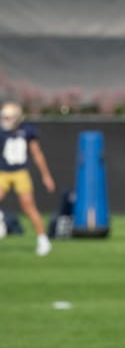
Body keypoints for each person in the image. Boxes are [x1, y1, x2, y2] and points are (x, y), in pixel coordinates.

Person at [0, 101, 55, 256]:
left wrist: (46, 176)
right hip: (2, 171)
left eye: (8, 118)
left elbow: (37, 154)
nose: (5, 121)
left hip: (20, 172)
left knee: (28, 207)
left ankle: (43, 240)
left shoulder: (27, 131)